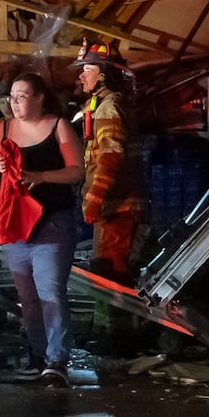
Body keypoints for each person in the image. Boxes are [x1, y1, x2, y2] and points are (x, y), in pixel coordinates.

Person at [0, 72, 83, 387]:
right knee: (29, 296)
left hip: (51, 223)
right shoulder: (4, 128)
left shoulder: (58, 126)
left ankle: (56, 361)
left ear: (39, 98)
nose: (14, 102)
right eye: (12, 97)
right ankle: (38, 357)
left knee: (51, 292)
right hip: (16, 224)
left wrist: (43, 176)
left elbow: (77, 170)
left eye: (22, 96)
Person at [74, 41, 147, 352]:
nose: (81, 77)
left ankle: (117, 341)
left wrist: (94, 197)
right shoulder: (102, 104)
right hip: (115, 204)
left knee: (111, 273)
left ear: (102, 74)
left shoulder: (108, 107)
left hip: (117, 205)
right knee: (106, 268)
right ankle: (110, 334)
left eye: (87, 71)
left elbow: (111, 156)